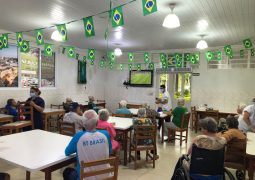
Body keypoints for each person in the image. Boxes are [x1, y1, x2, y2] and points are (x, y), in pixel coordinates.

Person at [64, 110, 112, 180]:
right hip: (106, 176)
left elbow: (67, 152)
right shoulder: (106, 134)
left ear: (83, 123)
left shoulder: (78, 136)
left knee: (67, 172)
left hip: (85, 177)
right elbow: (109, 152)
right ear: (97, 122)